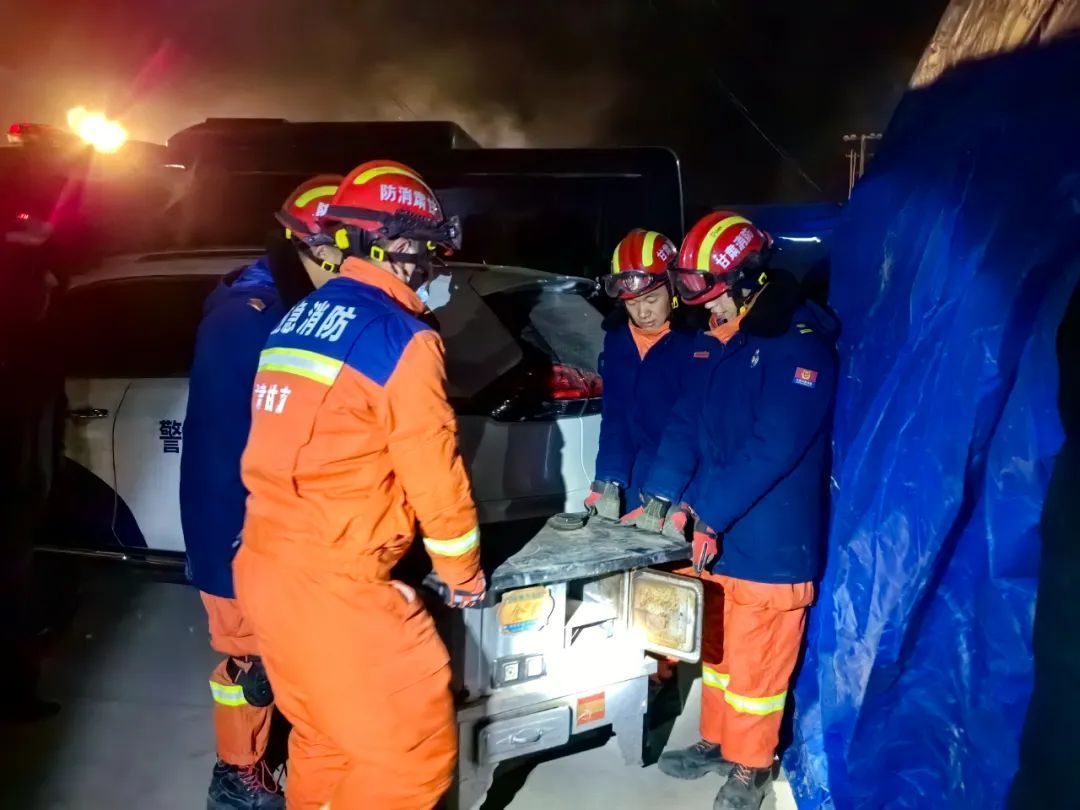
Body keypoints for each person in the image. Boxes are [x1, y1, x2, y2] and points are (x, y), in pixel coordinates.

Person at [233, 159, 485, 810]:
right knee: (411, 758)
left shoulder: (297, 319)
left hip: (266, 569)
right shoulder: (402, 338)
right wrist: (463, 575)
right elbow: (435, 472)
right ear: (393, 245)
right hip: (336, 589)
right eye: (425, 249)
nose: (431, 267)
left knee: (325, 740)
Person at [637, 212, 839, 810]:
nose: (706, 308)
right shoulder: (719, 344)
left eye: (713, 294)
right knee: (720, 652)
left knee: (758, 665)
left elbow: (773, 446)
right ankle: (718, 742)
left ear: (750, 281)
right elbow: (688, 425)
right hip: (718, 531)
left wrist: (708, 512)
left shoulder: (798, 347)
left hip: (770, 540)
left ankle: (752, 767)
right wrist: (665, 496)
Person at [180, 174, 343, 810]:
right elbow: (232, 442)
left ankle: (253, 759)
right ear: (315, 247)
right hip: (236, 524)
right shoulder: (247, 318)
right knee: (249, 661)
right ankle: (236, 777)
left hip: (262, 522)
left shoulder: (285, 302)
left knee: (275, 655)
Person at [586, 229, 696, 521]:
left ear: (673, 289)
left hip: (682, 480)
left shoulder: (696, 342)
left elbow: (691, 426)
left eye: (651, 299)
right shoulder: (618, 339)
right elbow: (615, 415)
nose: (642, 312)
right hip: (636, 476)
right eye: (632, 303)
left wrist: (665, 493)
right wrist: (608, 478)